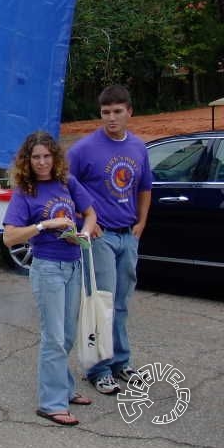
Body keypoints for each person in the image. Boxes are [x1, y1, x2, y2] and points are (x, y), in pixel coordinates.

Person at [2, 131, 97, 427]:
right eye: (36, 157)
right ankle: (50, 403)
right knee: (53, 337)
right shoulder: (25, 193)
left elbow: (91, 214)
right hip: (48, 269)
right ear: (27, 161)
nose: (42, 162)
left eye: (46, 156)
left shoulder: (67, 183)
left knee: (66, 335)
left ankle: (65, 389)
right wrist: (44, 224)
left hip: (74, 265)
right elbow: (9, 237)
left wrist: (84, 232)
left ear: (55, 157)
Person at [67, 84, 152, 395]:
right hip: (99, 238)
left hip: (127, 235)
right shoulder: (83, 150)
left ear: (129, 111)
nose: (112, 118)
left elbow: (144, 188)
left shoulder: (138, 148)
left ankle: (120, 362)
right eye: (106, 113)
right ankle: (97, 368)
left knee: (120, 304)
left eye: (118, 112)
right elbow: (64, 188)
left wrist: (141, 223)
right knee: (99, 304)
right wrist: (85, 221)